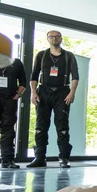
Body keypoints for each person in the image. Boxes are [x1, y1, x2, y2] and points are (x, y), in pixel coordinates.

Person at [28, 30, 79, 168]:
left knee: (62, 126)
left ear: (61, 38)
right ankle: (39, 157)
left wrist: (72, 92)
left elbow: (75, 76)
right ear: (47, 39)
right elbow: (34, 75)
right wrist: (33, 92)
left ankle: (64, 158)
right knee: (40, 125)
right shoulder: (41, 55)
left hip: (62, 92)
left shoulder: (68, 56)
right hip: (43, 91)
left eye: (57, 36)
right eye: (51, 36)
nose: (54, 38)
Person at [0, 57, 26, 168]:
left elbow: (23, 82)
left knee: (8, 130)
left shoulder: (16, 63)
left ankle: (7, 160)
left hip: (10, 100)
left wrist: (17, 95)